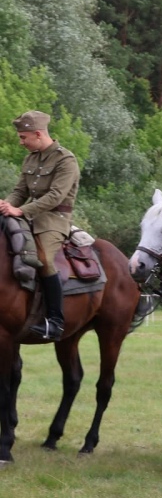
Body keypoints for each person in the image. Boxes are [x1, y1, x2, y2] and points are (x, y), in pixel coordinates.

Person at [1, 110, 80, 340]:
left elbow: (56, 195)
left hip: (55, 220)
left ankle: (55, 321)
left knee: (44, 259)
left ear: (37, 134)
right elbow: (20, 191)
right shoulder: (31, 158)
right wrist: (6, 205)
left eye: (23, 137)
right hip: (29, 216)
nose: (20, 142)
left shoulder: (66, 160)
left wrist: (20, 210)